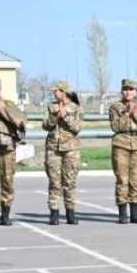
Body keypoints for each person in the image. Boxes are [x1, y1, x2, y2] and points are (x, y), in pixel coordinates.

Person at [109, 78, 137, 224]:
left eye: (131, 89)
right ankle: (122, 213)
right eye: (125, 89)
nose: (128, 92)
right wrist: (126, 113)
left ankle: (134, 213)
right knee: (122, 179)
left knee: (135, 180)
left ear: (136, 92)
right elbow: (115, 127)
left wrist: (135, 114)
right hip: (121, 144)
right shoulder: (115, 106)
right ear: (122, 91)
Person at [42, 80, 82, 225]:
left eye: (56, 91)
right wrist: (55, 117)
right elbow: (45, 125)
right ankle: (54, 213)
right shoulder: (50, 106)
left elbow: (77, 127)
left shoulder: (75, 107)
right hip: (53, 148)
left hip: (71, 149)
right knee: (54, 182)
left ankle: (70, 213)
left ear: (63, 92)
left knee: (69, 182)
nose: (54, 93)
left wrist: (65, 116)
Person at [0, 78, 24, 227]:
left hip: (7, 149)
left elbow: (21, 122)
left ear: (0, 91)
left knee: (7, 181)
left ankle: (6, 213)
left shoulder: (9, 105)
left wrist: (3, 111)